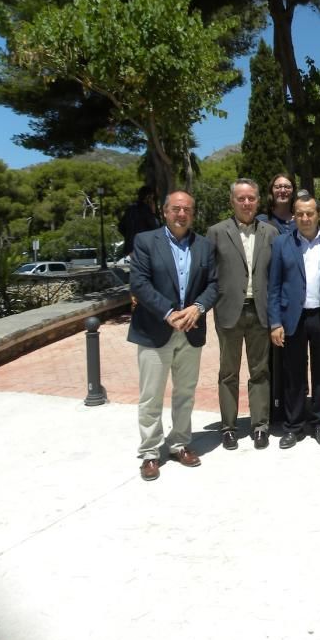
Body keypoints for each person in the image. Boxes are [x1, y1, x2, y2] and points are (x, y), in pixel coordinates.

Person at [129, 191, 218, 481]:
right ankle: (150, 452)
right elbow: (139, 284)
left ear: (193, 214)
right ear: (165, 212)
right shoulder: (145, 241)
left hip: (190, 330)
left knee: (185, 393)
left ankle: (179, 443)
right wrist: (169, 313)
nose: (182, 214)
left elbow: (214, 285)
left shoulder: (204, 246)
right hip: (156, 329)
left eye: (187, 210)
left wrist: (198, 307)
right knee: (151, 396)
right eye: (176, 209)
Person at [206, 178, 278, 450]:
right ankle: (228, 427)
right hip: (229, 312)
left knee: (260, 372)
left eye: (251, 198)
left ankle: (260, 426)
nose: (246, 203)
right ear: (232, 201)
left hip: (260, 312)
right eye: (241, 198)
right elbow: (208, 274)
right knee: (228, 372)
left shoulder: (270, 233)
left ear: (258, 201)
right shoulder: (215, 232)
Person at [268, 193, 320, 448]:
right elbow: (273, 286)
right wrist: (275, 322)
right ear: (294, 216)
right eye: (300, 214)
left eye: (310, 213)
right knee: (293, 374)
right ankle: (293, 425)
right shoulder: (281, 244)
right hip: (291, 319)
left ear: (318, 214)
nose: (305, 218)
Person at [118, 185, 159, 257]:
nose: (153, 200)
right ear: (148, 197)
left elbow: (121, 227)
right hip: (144, 247)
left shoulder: (130, 209)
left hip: (131, 247)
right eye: (152, 197)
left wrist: (129, 237)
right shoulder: (146, 210)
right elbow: (155, 227)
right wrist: (153, 213)